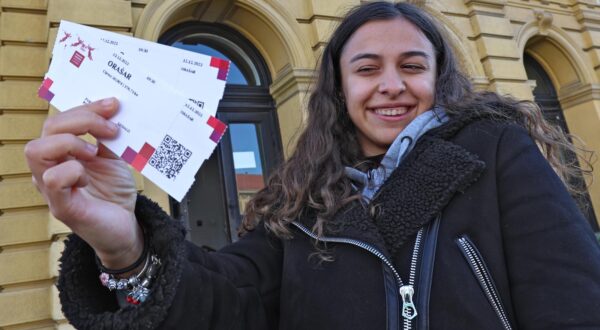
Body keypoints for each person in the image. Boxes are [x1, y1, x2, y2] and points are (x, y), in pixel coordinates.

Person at [25, 2, 600, 329]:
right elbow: (230, 304)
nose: (392, 85)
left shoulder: (495, 154)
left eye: (412, 65)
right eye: (368, 68)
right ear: (341, 88)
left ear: (437, 77)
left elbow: (574, 305)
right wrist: (127, 249)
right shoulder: (297, 201)